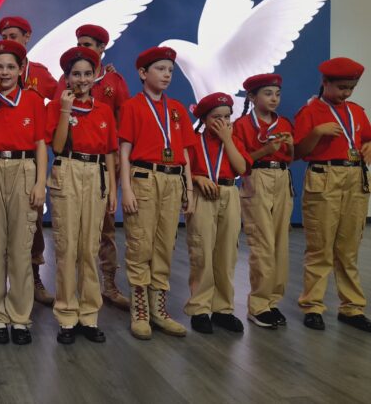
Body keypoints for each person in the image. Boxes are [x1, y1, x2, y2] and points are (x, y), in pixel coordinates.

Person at [0, 40, 47, 345]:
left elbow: (40, 144)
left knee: (20, 246)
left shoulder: (32, 100)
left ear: (21, 69)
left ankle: (19, 315)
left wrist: (40, 183)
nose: (4, 72)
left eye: (11, 67)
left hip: (24, 169)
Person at [119, 46, 195, 340]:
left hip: (173, 180)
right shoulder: (132, 106)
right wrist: (126, 188)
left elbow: (185, 153)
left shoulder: (176, 109)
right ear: (143, 73)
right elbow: (124, 151)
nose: (166, 75)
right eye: (160, 69)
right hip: (144, 178)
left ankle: (159, 309)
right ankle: (140, 311)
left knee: (165, 245)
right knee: (140, 244)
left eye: (170, 70)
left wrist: (188, 187)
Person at [53, 24, 131, 310]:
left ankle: (107, 283)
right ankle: (69, 297)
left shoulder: (114, 81)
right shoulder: (66, 82)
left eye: (88, 44)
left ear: (101, 49)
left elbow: (123, 120)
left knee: (104, 227)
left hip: (104, 163)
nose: (82, 48)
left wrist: (117, 162)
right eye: (79, 43)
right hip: (72, 164)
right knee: (70, 234)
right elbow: (58, 125)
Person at [0, 16, 57, 306]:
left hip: (27, 160)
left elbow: (61, 95)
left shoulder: (38, 73)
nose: (8, 40)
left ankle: (33, 278)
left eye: (14, 35)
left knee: (30, 228)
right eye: (4, 35)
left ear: (27, 37)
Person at [46, 47, 117, 344]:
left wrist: (112, 188)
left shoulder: (104, 110)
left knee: (90, 248)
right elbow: (57, 147)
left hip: (96, 173)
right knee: (67, 247)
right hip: (68, 169)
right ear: (67, 77)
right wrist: (65, 110)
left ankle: (89, 315)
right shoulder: (57, 107)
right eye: (76, 74)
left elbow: (110, 151)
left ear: (96, 75)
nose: (82, 79)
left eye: (88, 73)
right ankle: (66, 314)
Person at [294, 57, 371, 332]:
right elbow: (297, 152)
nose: (346, 93)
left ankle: (352, 307)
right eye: (341, 87)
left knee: (348, 249)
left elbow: (367, 138)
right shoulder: (310, 112)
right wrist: (317, 133)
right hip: (324, 176)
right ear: (325, 82)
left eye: (351, 88)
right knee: (320, 247)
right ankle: (313, 306)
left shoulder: (356, 111)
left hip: (355, 177)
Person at [185, 93, 251, 334]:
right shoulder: (194, 141)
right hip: (202, 195)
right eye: (216, 118)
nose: (223, 122)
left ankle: (223, 309)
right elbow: (185, 170)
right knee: (201, 251)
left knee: (227, 253)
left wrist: (227, 140)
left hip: (229, 192)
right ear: (204, 119)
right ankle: (200, 308)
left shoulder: (234, 141)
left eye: (227, 117)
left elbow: (241, 168)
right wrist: (197, 178)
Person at [233, 74, 294, 329]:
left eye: (277, 94)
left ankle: (272, 301)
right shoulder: (242, 125)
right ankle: (258, 305)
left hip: (282, 177)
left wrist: (290, 146)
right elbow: (240, 161)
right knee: (262, 242)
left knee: (280, 243)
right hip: (256, 177)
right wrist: (266, 151)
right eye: (268, 93)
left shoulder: (284, 123)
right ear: (252, 96)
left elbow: (291, 157)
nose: (274, 99)